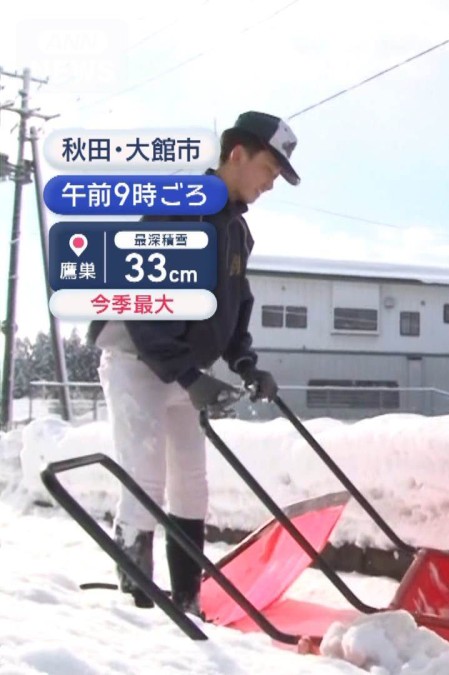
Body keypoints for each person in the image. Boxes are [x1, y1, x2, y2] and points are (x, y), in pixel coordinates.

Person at [88, 111, 300, 612]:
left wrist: (245, 362)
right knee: (145, 474)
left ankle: (185, 597)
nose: (271, 184)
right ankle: (137, 599)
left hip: (183, 366)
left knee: (191, 482)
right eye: (270, 170)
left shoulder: (237, 233)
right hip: (135, 355)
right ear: (237, 155)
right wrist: (188, 375)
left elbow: (232, 307)